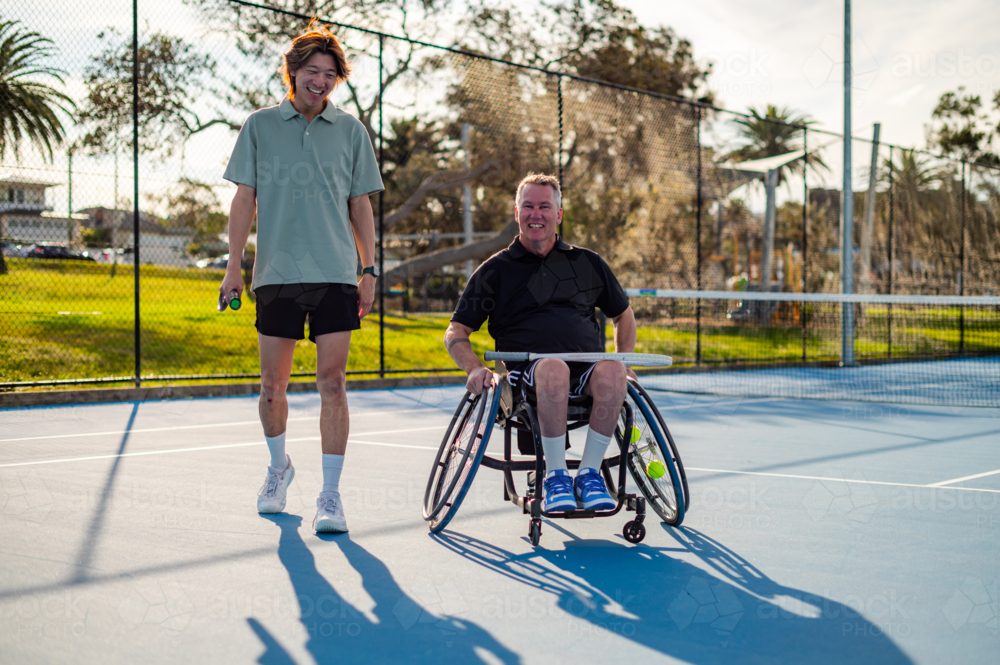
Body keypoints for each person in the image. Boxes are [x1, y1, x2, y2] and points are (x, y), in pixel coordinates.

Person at [221, 22, 383, 534]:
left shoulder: (351, 131)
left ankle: (330, 496)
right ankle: (278, 471)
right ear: (292, 72)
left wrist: (370, 269)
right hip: (276, 274)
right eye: (312, 71)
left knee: (332, 383)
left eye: (330, 74)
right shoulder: (260, 125)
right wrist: (232, 268)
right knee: (273, 388)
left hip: (336, 274)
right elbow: (243, 200)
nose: (320, 81)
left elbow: (361, 204)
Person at [444, 173, 637, 513]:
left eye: (545, 206)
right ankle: (556, 476)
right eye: (528, 206)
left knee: (613, 371)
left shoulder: (588, 263)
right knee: (552, 368)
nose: (537, 214)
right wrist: (474, 367)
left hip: (585, 371)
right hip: (526, 375)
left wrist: (626, 362)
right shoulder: (494, 271)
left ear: (559, 214)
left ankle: (589, 474)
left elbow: (624, 316)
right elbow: (456, 331)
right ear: (516, 212)